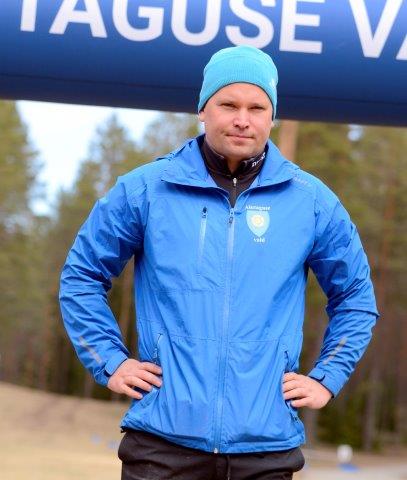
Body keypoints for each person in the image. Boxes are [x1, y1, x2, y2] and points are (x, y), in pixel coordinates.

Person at [59, 45, 379, 480]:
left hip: (266, 450)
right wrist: (110, 360)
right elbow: (81, 275)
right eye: (228, 104)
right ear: (203, 110)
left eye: (257, 107)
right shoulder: (145, 190)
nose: (242, 119)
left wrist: (327, 377)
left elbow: (356, 298)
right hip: (161, 446)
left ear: (272, 116)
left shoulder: (312, 202)